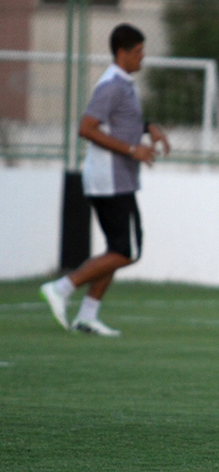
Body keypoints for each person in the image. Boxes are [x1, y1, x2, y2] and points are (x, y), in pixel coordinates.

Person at [40, 23, 170, 336]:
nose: (142, 56)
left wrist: (148, 127)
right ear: (122, 52)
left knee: (120, 249)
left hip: (120, 179)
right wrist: (132, 149)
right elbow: (86, 128)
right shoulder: (111, 85)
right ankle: (62, 287)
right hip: (108, 180)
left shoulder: (124, 83)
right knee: (125, 251)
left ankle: (87, 317)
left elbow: (120, 121)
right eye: (138, 51)